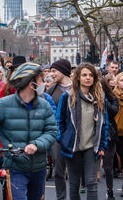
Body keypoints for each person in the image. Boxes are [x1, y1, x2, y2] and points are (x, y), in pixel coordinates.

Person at [0, 62, 57, 199]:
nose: (43, 83)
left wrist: (36, 144)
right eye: (40, 80)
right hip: (15, 167)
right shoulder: (4, 104)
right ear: (31, 84)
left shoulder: (44, 105)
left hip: (39, 167)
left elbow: (51, 131)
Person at [56, 63, 108, 200]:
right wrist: (63, 139)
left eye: (91, 75)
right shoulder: (67, 97)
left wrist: (102, 145)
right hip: (73, 146)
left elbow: (104, 124)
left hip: (92, 146)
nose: (88, 78)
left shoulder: (100, 98)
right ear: (78, 77)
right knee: (74, 183)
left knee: (91, 182)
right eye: (84, 75)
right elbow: (59, 121)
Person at [48, 58, 72, 200]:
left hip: (75, 133)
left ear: (63, 71)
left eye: (54, 71)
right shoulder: (52, 89)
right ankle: (61, 197)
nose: (52, 74)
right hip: (57, 134)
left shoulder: (77, 86)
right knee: (58, 169)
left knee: (76, 170)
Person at [101, 76, 119, 200]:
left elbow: (114, 111)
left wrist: (104, 101)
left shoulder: (112, 98)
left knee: (108, 166)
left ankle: (110, 190)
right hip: (93, 134)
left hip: (109, 134)